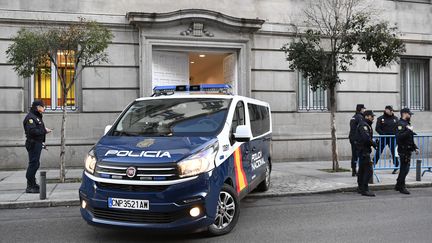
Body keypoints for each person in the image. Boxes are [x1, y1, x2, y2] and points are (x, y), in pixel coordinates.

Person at [23, 100, 52, 193]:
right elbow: (32, 132)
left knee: (36, 164)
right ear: (38, 107)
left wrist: (42, 144)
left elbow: (38, 131)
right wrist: (44, 131)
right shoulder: (30, 118)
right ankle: (30, 186)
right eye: (43, 106)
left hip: (37, 144)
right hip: (33, 144)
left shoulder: (36, 117)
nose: (44, 108)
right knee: (33, 164)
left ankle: (33, 184)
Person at [395, 108, 419, 195]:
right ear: (404, 114)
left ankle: (398, 185)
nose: (410, 116)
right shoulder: (400, 124)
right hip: (403, 149)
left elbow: (410, 138)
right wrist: (409, 130)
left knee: (404, 168)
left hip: (408, 149)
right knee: (404, 169)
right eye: (409, 114)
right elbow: (399, 137)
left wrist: (415, 147)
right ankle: (402, 187)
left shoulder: (406, 123)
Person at [355, 110, 378, 197]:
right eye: (372, 117)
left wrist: (373, 144)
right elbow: (366, 138)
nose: (373, 119)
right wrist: (374, 143)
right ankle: (365, 189)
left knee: (362, 170)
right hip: (363, 151)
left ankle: (360, 188)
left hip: (363, 150)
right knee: (369, 171)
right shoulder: (363, 125)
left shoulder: (366, 125)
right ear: (367, 116)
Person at [374, 105, 399, 174]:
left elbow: (398, 128)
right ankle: (372, 165)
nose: (391, 111)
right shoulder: (380, 118)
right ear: (386, 110)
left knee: (394, 152)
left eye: (392, 110)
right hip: (383, 138)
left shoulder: (395, 119)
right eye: (390, 110)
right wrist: (383, 134)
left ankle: (396, 166)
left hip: (392, 138)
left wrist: (396, 135)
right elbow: (377, 128)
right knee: (378, 151)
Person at [349, 104, 366, 177]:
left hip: (352, 138)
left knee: (354, 155)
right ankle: (358, 170)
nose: (364, 110)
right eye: (363, 109)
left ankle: (353, 170)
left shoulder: (353, 117)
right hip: (357, 139)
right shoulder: (360, 117)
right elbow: (361, 128)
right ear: (361, 109)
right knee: (359, 155)